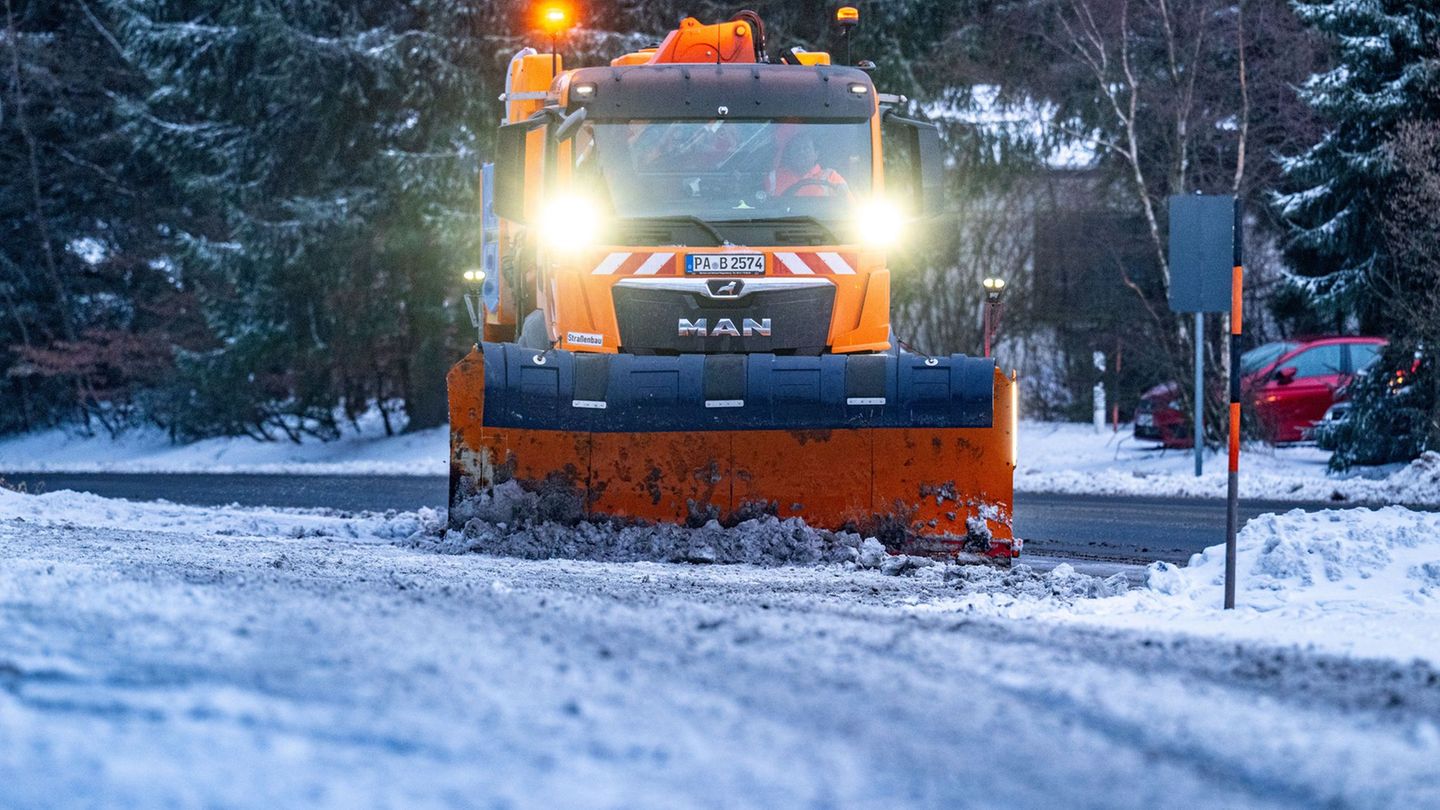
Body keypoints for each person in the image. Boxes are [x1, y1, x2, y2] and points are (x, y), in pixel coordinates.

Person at [767, 134, 847, 197]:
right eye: (796, 149)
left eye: (806, 148)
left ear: (816, 154)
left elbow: (849, 208)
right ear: (790, 155)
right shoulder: (774, 178)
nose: (801, 152)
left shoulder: (831, 177)